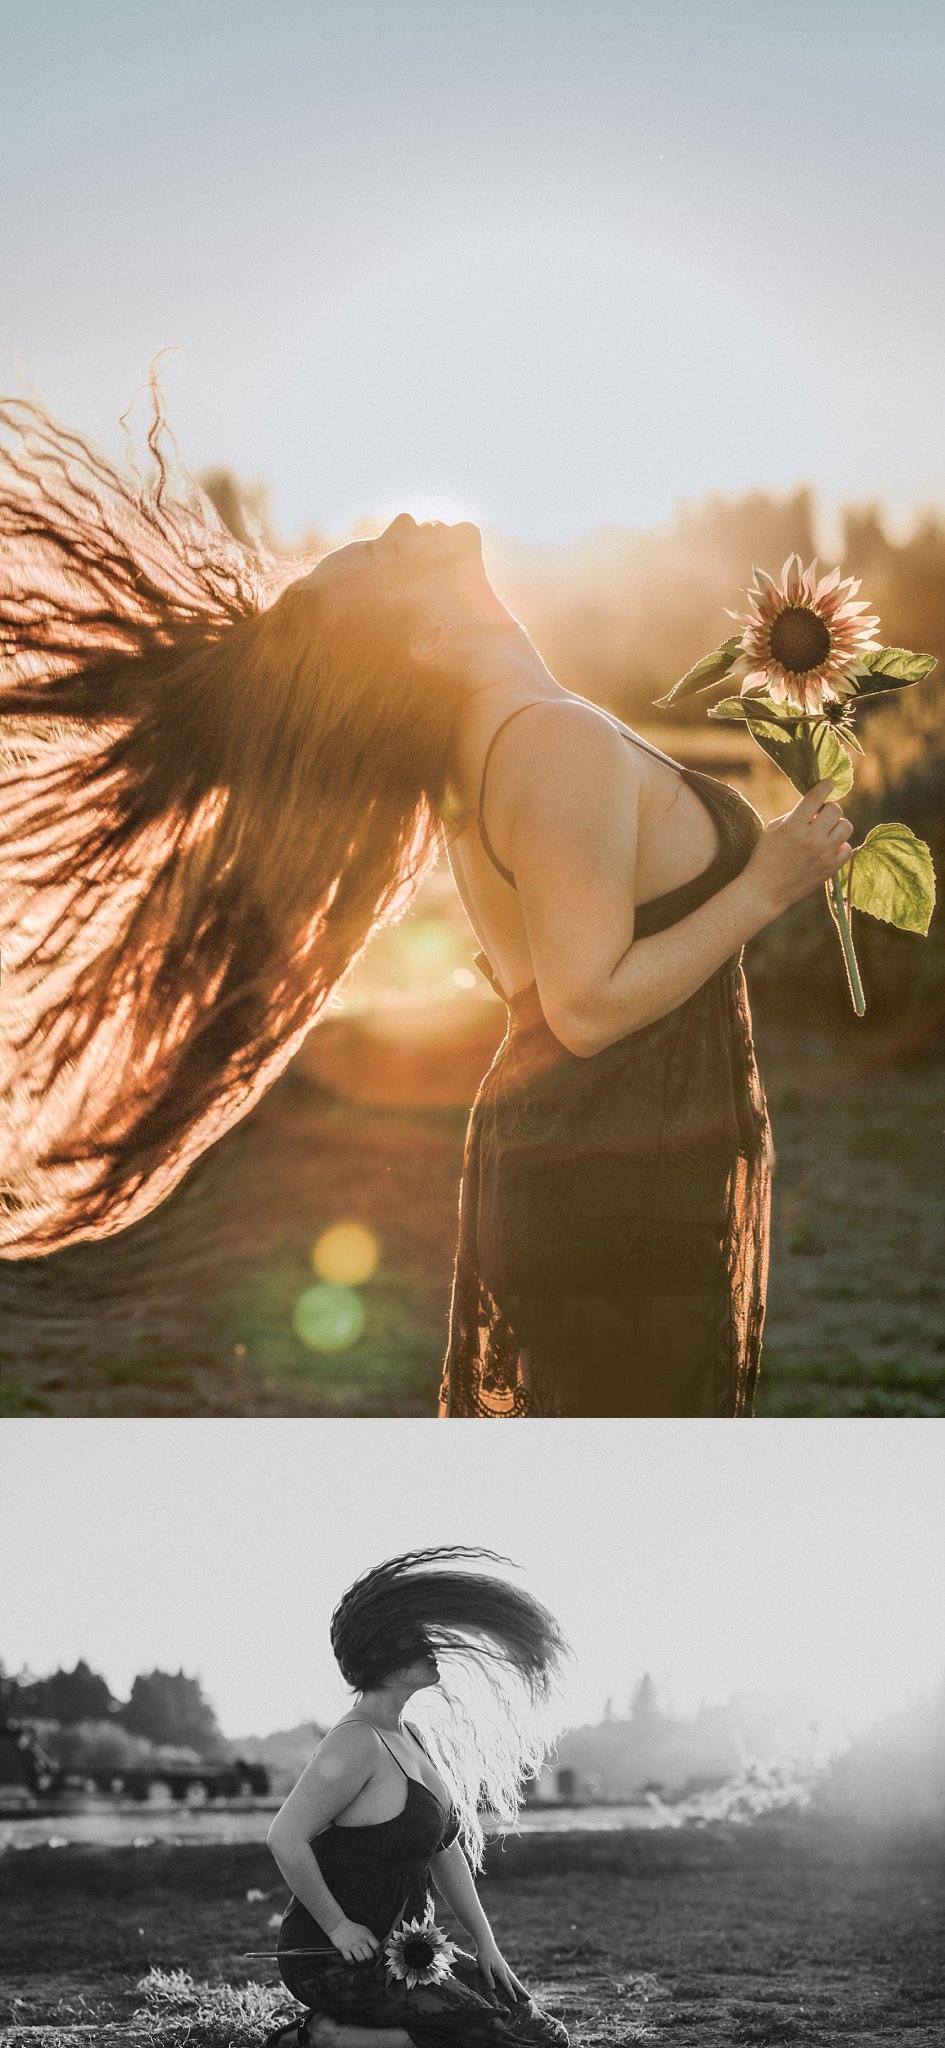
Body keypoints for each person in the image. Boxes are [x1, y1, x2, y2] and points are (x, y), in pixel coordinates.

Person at [0, 390, 854, 1412]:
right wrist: (763, 885)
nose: (399, 526)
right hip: (615, 1198)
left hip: (602, 1180)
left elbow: (549, 981)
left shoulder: (500, 746)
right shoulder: (547, 739)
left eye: (374, 542)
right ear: (418, 645)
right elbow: (584, 1010)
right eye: (381, 561)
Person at [263, 1547, 571, 2048]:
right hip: (338, 1958)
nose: (432, 1648)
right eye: (415, 1640)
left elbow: (444, 1849)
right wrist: (339, 1927)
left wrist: (485, 1943)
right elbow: (285, 1837)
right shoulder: (356, 1741)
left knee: (532, 2027)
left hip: (407, 1954)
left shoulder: (411, 1736)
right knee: (488, 2037)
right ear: (383, 1658)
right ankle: (326, 2036)